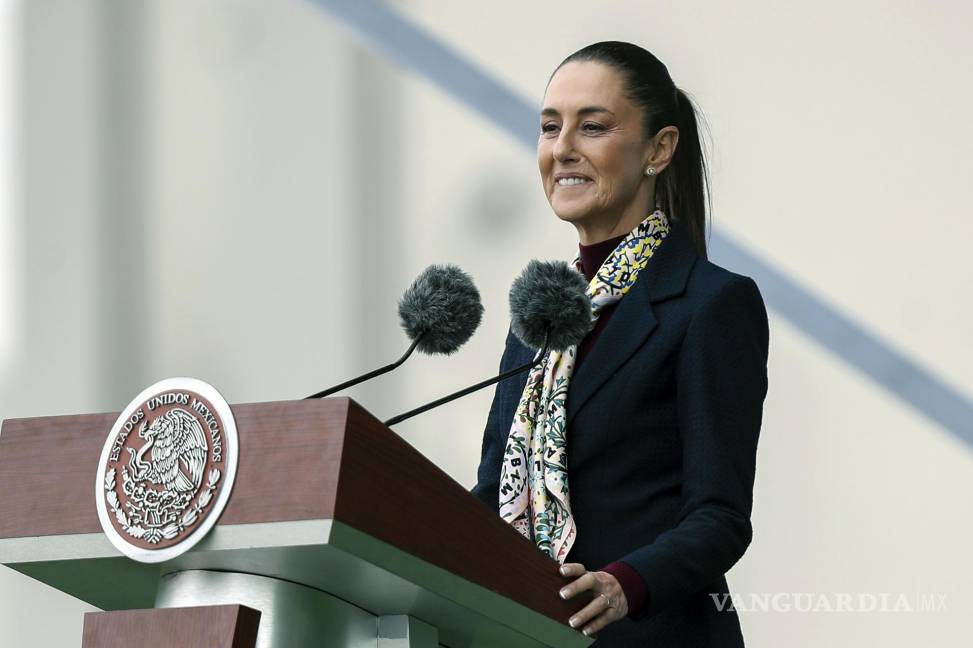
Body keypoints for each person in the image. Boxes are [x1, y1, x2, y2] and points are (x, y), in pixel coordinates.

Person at [471, 41, 770, 646]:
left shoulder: (710, 305)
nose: (562, 150)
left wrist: (622, 585)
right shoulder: (539, 314)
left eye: (594, 127)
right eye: (550, 127)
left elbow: (720, 516)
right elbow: (489, 493)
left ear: (658, 149)